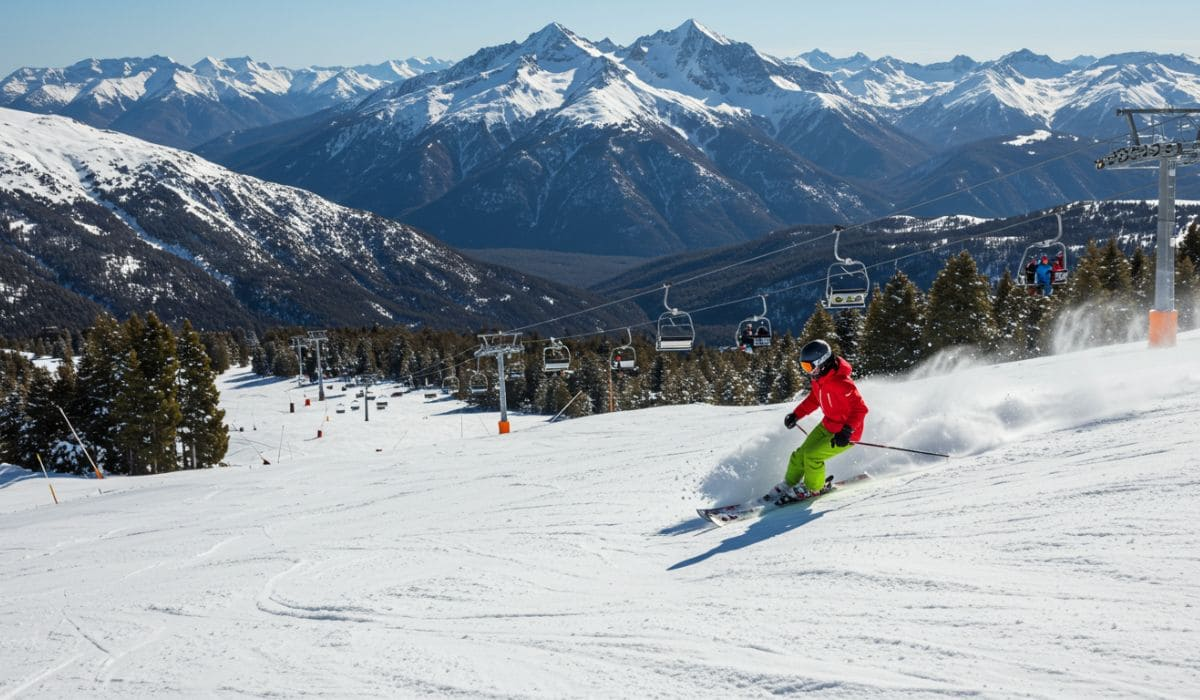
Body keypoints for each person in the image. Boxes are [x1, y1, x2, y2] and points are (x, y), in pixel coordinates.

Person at [771, 339, 868, 504]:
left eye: (809, 367)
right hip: (828, 425)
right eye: (804, 367)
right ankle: (790, 483)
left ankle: (812, 488)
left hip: (845, 433)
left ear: (822, 363)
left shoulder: (843, 383)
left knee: (813, 456)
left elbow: (861, 409)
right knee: (800, 455)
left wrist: (847, 431)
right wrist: (796, 415)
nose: (807, 372)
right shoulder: (819, 379)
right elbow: (814, 399)